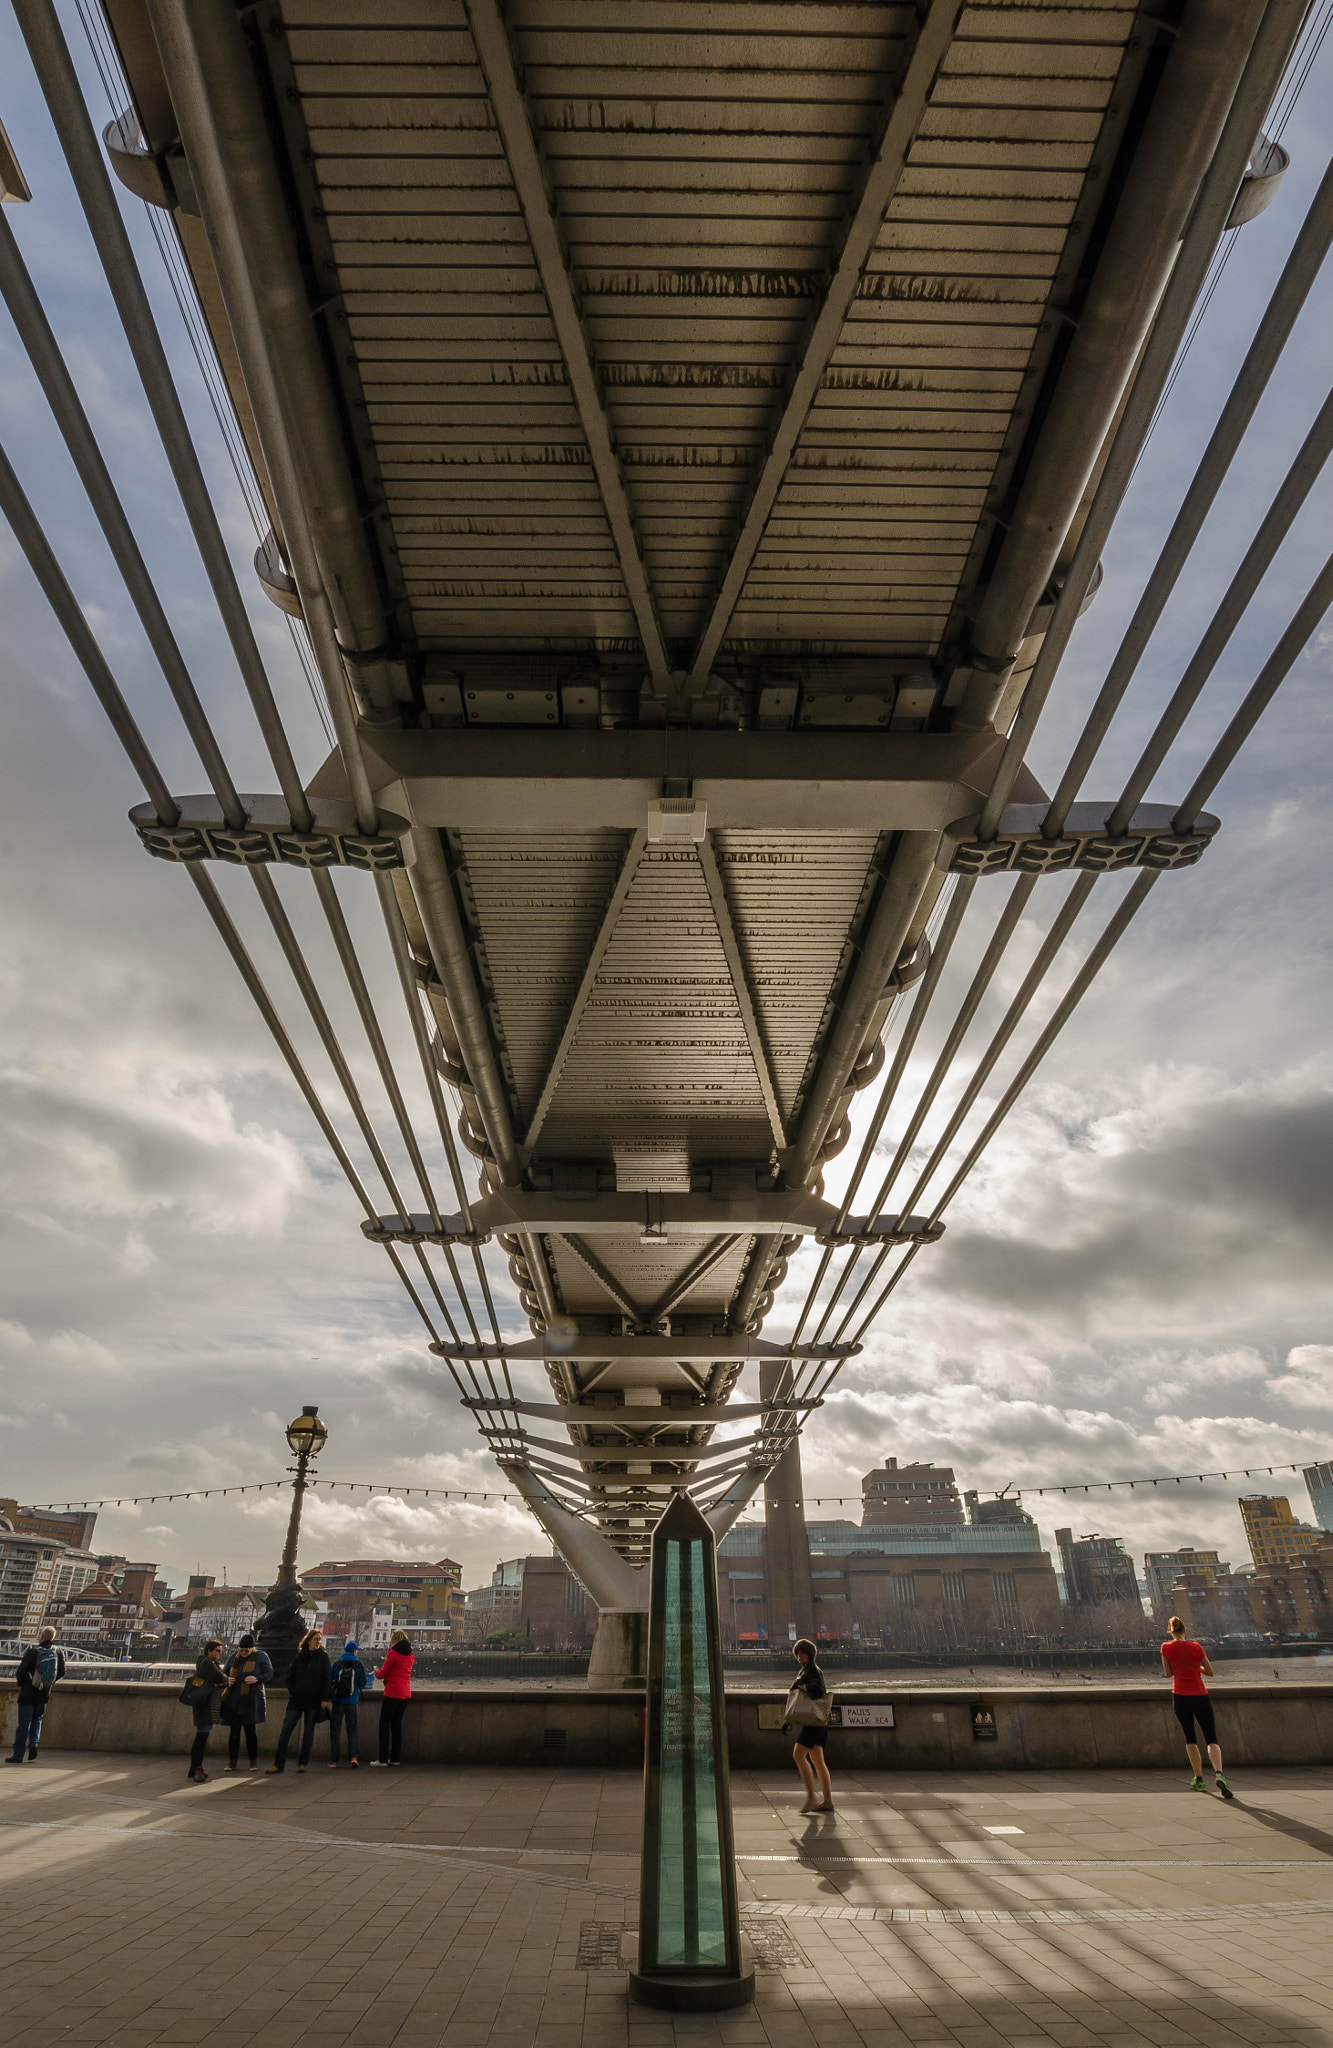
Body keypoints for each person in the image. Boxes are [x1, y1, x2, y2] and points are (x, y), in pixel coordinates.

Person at [1161, 1615, 1233, 1797]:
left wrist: (1181, 1668)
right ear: (1185, 1630)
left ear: (1171, 1631)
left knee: (1190, 1738)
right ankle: (1219, 1774)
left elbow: (1168, 1673)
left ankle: (1199, 1779)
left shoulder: (1166, 1648)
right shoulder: (1196, 1647)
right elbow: (1210, 1672)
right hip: (1200, 1695)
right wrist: (1196, 1668)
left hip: (1180, 1696)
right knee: (1211, 1737)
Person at [267, 1629, 331, 1775]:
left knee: (308, 1732)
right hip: (297, 1699)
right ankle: (279, 1763)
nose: (318, 1642)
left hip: (313, 1701)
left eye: (320, 1640)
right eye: (316, 1639)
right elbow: (290, 1677)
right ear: (308, 1640)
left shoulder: (322, 1657)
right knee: (286, 1731)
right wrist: (294, 1690)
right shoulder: (299, 1657)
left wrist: (324, 1698)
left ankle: (302, 1763)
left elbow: (327, 1678)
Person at [786, 1638, 834, 1814]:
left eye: (802, 1653)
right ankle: (827, 1801)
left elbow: (818, 1689)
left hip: (814, 1723)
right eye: (797, 1653)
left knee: (798, 1754)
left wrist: (803, 1686)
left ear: (810, 1654)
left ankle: (811, 1798)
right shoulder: (805, 1670)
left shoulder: (813, 1670)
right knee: (818, 1761)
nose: (799, 1656)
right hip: (819, 1722)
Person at [5, 1626, 65, 1765]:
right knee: (37, 1720)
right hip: (43, 1693)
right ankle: (33, 1745)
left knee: (24, 1725)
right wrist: (48, 1683)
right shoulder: (58, 1652)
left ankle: (18, 1755)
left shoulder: (33, 1652)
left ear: (41, 1637)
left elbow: (21, 1672)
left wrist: (23, 1684)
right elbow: (62, 1671)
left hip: (28, 1693)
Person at [222, 1633, 273, 1772]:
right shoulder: (234, 1657)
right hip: (235, 1697)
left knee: (250, 1730)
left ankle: (253, 1761)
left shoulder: (261, 1656)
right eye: (241, 1650)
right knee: (234, 1731)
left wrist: (257, 1679)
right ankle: (232, 1762)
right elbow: (225, 1672)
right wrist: (227, 1679)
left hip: (252, 1698)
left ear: (253, 1649)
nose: (243, 1653)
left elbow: (269, 1673)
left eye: (247, 1651)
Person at [187, 1640, 228, 1782]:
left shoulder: (210, 1664)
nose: (219, 1654)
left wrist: (221, 1680)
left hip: (206, 1704)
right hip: (204, 1705)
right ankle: (197, 1768)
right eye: (217, 1651)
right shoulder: (206, 1663)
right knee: (201, 1738)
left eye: (221, 1651)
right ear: (209, 1650)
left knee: (201, 1737)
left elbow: (221, 1680)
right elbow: (221, 1678)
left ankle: (193, 1769)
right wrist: (223, 1680)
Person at [371, 1630, 414, 1766]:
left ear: (394, 1640)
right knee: (396, 1725)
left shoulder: (393, 1653)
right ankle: (395, 1758)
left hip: (393, 1692)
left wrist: (376, 1669)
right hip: (405, 1692)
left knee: (384, 1725)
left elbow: (382, 1674)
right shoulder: (411, 1655)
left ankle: (382, 1758)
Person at [328, 1639, 370, 1769]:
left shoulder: (337, 1663)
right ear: (354, 1651)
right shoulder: (358, 1664)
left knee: (335, 1731)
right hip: (351, 1702)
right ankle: (353, 1757)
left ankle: (334, 1761)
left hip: (338, 1701)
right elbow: (363, 1682)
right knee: (351, 1730)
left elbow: (331, 1681)